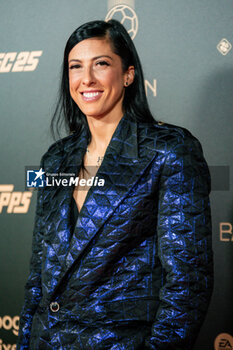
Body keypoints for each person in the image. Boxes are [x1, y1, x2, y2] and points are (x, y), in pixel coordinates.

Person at [17, 19, 213, 350]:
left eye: (101, 64)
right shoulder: (54, 159)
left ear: (128, 75)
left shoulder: (170, 150)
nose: (86, 79)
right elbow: (39, 274)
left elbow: (188, 282)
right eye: (75, 67)